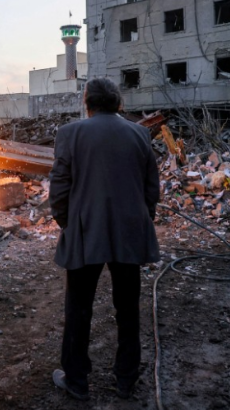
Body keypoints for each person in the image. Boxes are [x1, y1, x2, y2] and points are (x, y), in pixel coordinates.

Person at [49, 77, 160, 401]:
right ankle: (126, 379)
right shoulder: (140, 133)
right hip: (129, 233)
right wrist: (139, 222)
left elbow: (59, 188)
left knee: (78, 309)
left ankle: (77, 380)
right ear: (118, 102)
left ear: (88, 101)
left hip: (87, 232)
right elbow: (151, 188)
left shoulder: (71, 133)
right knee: (128, 310)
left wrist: (69, 224)